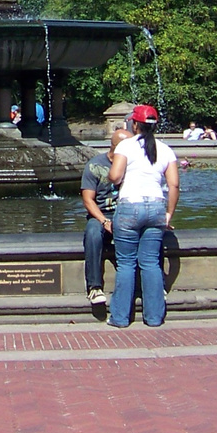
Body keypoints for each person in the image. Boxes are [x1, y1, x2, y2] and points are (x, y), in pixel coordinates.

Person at [106, 105, 179, 328]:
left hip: (130, 206)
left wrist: (112, 177)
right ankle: (155, 317)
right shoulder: (165, 149)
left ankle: (119, 318)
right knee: (150, 263)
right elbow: (174, 184)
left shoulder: (126, 145)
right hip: (156, 206)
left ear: (134, 124)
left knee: (127, 263)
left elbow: (116, 176)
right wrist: (168, 214)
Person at [80, 127, 128, 306]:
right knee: (93, 233)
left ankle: (151, 285)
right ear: (116, 148)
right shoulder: (94, 165)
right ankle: (94, 288)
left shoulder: (132, 164)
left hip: (126, 212)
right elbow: (88, 200)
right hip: (101, 214)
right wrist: (104, 220)